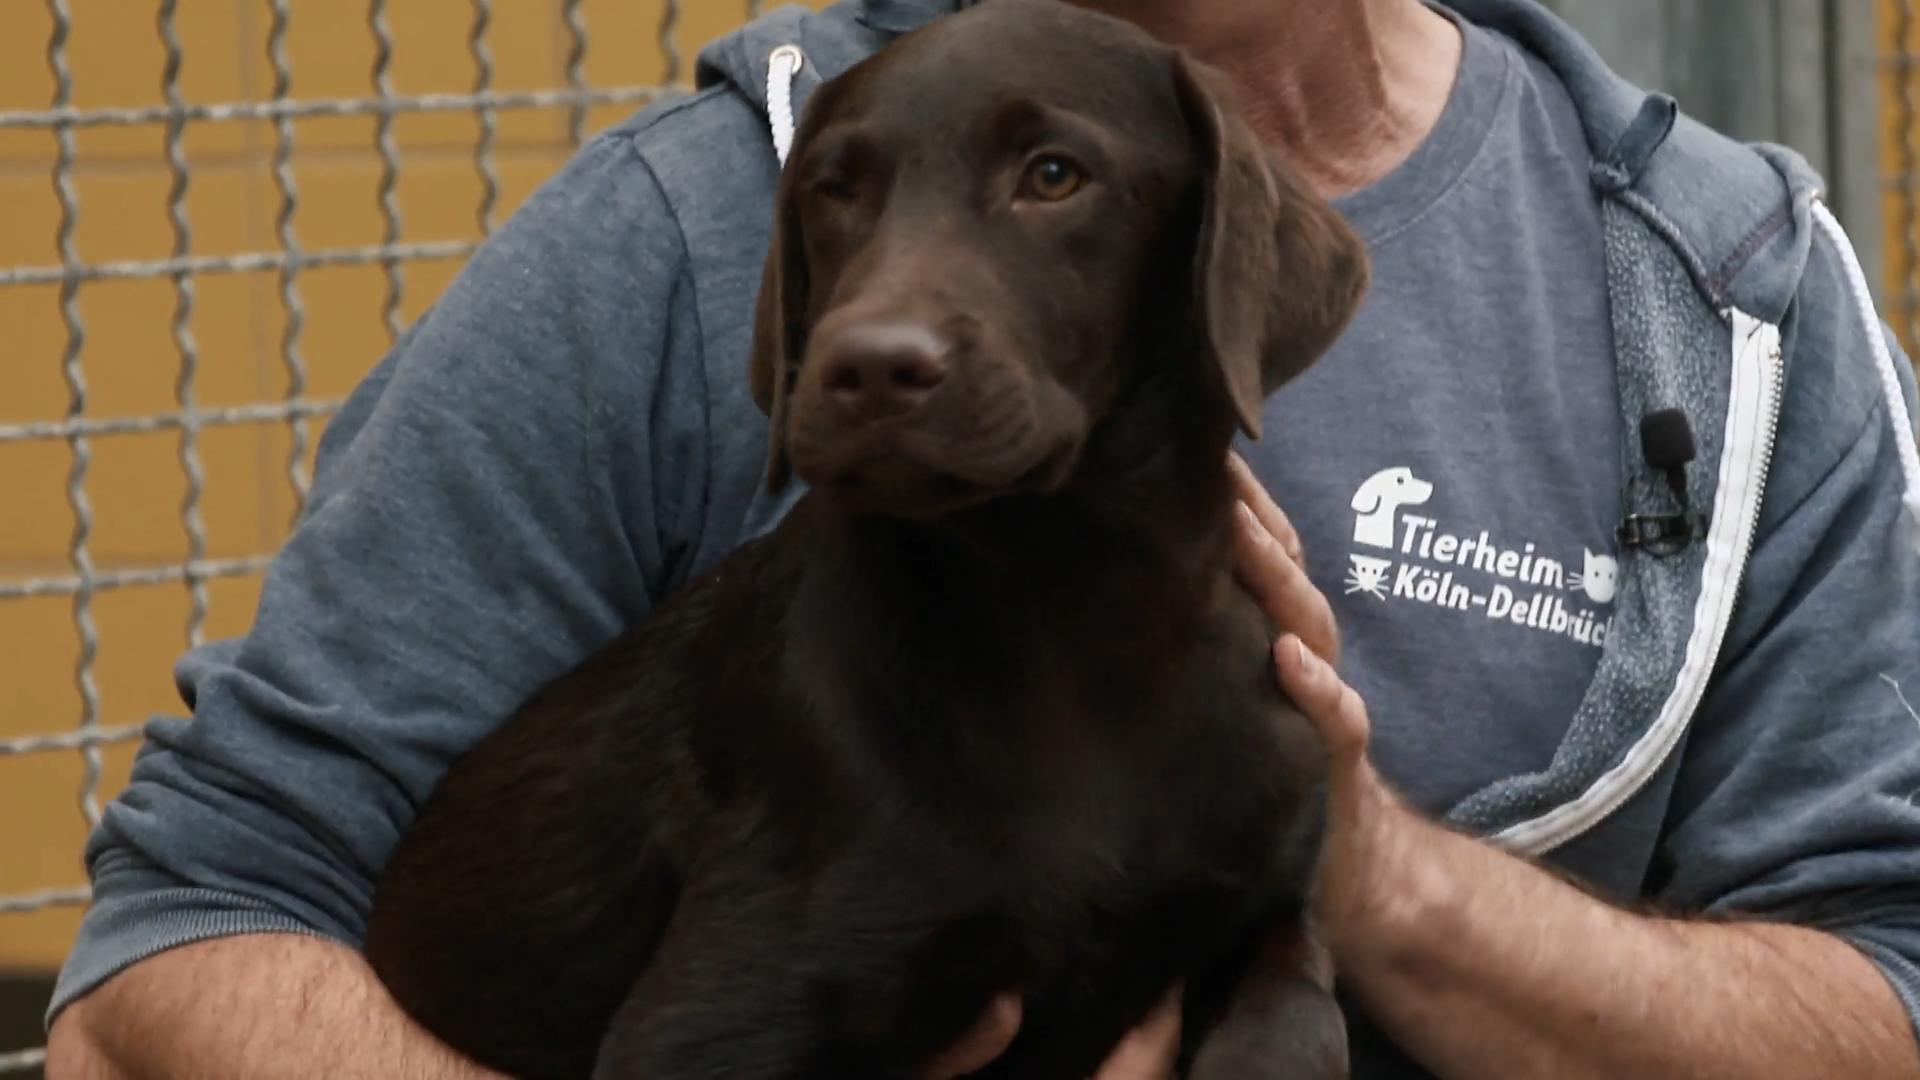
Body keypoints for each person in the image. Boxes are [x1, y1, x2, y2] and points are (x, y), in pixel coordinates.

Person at [41, 0, 1920, 1075]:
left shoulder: (1726, 287)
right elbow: (178, 945)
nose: (895, 299)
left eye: (1049, 182)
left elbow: (1886, 999)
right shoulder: (691, 233)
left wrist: (1370, 879)